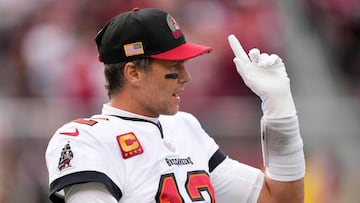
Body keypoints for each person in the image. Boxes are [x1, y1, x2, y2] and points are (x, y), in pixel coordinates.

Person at [45, 8, 305, 203]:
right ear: (133, 73)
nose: (186, 77)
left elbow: (280, 198)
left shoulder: (185, 127)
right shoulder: (85, 138)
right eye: (173, 68)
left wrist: (279, 109)